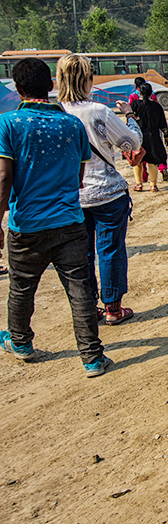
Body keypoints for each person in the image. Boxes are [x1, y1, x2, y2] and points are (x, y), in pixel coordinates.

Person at [0, 58, 112, 377]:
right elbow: (78, 178)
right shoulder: (72, 125)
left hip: (27, 225)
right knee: (79, 288)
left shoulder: (8, 124)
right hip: (69, 222)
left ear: (17, 88)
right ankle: (92, 357)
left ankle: (20, 343)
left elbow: (4, 178)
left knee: (22, 286)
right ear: (51, 86)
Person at [57, 53, 142, 326]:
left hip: (73, 196)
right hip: (107, 193)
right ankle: (113, 308)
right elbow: (131, 143)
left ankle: (88, 306)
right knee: (110, 250)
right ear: (88, 80)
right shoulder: (99, 112)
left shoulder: (55, 114)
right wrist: (130, 116)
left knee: (81, 255)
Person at [132, 83, 168, 192]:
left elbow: (130, 120)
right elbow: (163, 123)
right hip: (153, 137)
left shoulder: (135, 105)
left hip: (138, 136)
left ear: (140, 92)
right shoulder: (157, 106)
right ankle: (153, 185)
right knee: (152, 161)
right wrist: (166, 135)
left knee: (138, 160)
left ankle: (139, 184)